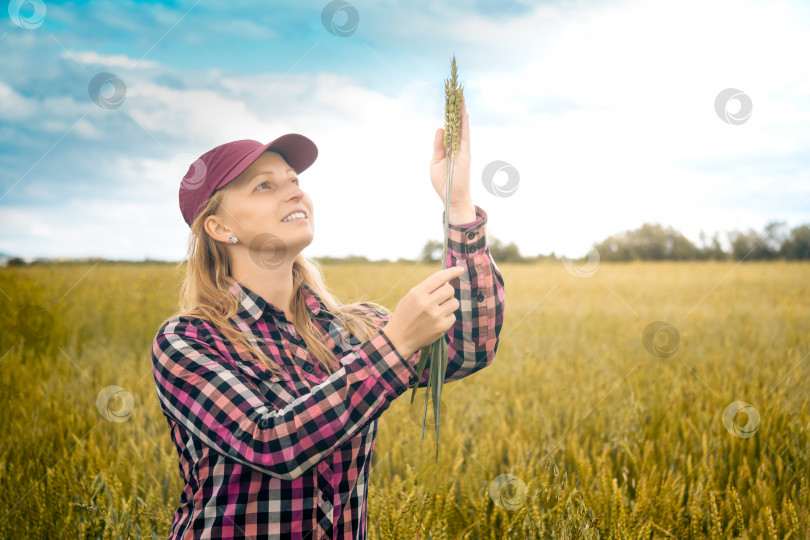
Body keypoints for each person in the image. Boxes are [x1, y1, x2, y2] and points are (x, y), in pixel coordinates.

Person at [150, 96, 505, 539]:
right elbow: (272, 444)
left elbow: (470, 349)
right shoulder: (187, 341)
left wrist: (458, 205)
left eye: (294, 180)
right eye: (265, 186)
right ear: (221, 228)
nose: (295, 191)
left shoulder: (353, 327)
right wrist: (392, 347)